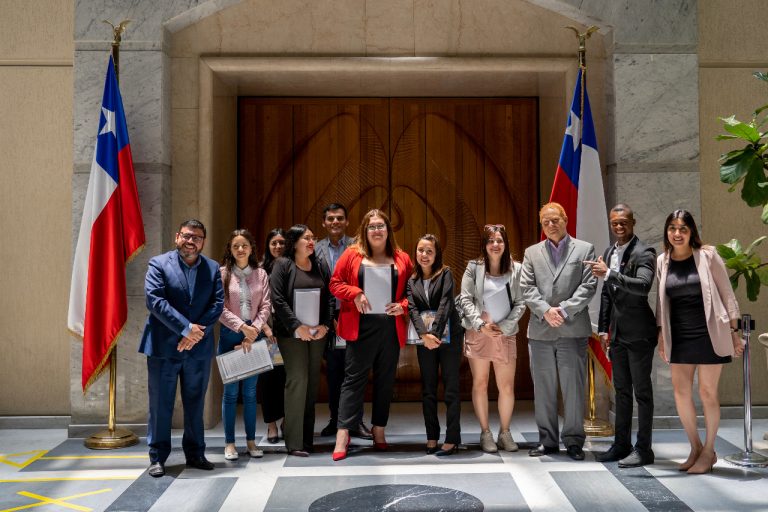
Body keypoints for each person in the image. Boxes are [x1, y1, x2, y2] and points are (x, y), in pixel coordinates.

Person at [656, 209, 743, 474]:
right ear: (667, 232)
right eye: (672, 228)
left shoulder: (708, 256)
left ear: (692, 231)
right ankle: (695, 447)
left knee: (707, 393)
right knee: (681, 392)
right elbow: (661, 303)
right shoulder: (663, 261)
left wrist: (734, 331)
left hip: (709, 334)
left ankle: (709, 450)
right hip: (678, 336)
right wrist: (661, 335)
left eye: (683, 228)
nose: (677, 233)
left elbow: (726, 293)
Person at [139, 219, 224, 477]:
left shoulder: (211, 268)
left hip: (197, 349)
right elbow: (155, 300)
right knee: (161, 404)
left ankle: (196, 453)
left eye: (197, 237)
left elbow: (217, 304)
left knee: (196, 404)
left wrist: (195, 334)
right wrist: (187, 329)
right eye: (187, 236)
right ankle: (158, 457)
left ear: (203, 242)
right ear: (177, 237)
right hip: (164, 347)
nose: (191, 241)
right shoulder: (158, 264)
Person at [329, 209, 414, 461]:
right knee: (353, 381)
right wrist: (355, 292)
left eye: (381, 226)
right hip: (360, 328)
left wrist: (404, 306)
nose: (377, 230)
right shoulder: (352, 254)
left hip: (390, 328)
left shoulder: (402, 258)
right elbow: (334, 283)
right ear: (365, 231)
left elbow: (413, 291)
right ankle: (343, 434)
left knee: (385, 381)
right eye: (372, 227)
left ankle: (379, 430)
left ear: (388, 230)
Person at [521, 202, 597, 461]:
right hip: (541, 331)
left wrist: (563, 310)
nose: (551, 225)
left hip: (572, 329)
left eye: (555, 220)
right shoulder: (531, 253)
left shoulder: (585, 249)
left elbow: (588, 286)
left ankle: (574, 441)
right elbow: (526, 287)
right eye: (545, 222)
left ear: (565, 219)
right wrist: (546, 311)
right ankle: (548, 441)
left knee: (574, 389)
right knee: (543, 389)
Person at [585, 204, 657, 467]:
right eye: (614, 223)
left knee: (642, 393)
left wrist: (611, 274)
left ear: (633, 222)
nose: (619, 227)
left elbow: (643, 286)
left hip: (639, 334)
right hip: (616, 335)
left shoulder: (644, 251)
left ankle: (644, 449)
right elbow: (607, 294)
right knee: (622, 392)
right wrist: (603, 328)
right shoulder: (609, 251)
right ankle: (621, 444)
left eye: (623, 222)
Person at [458, 225, 526, 453]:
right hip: (479, 332)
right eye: (490, 241)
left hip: (505, 334)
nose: (495, 245)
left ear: (505, 244)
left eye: (499, 240)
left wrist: (505, 327)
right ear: (484, 245)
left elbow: (521, 302)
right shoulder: (473, 268)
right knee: (481, 383)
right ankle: (485, 433)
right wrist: (480, 325)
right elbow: (466, 300)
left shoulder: (517, 269)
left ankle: (505, 433)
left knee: (506, 386)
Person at [269, 224, 333, 457]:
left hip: (317, 334)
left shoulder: (320, 264)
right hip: (292, 335)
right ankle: (294, 442)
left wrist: (326, 324)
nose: (311, 241)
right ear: (294, 242)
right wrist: (297, 327)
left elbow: (329, 297)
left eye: (313, 237)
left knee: (312, 384)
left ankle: (307, 439)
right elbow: (278, 300)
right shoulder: (282, 265)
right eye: (306, 238)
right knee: (297, 381)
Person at [315, 203, 372, 440]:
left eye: (339, 218)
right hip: (328, 320)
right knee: (334, 372)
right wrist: (329, 319)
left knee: (356, 372)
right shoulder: (315, 249)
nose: (335, 222)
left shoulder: (359, 247)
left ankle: (356, 421)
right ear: (324, 223)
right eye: (330, 219)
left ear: (347, 222)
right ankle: (336, 420)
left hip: (355, 314)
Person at [407, 234, 465, 456]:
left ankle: (452, 439)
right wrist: (424, 335)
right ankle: (431, 437)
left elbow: (446, 304)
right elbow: (412, 309)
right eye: (420, 250)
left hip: (449, 339)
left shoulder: (446, 273)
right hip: (426, 341)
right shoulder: (412, 280)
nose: (424, 255)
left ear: (436, 254)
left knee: (451, 388)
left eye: (429, 251)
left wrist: (434, 334)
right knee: (428, 389)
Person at [218, 229, 272, 461]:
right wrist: (242, 327)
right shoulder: (222, 274)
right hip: (230, 335)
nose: (240, 249)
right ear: (230, 250)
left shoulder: (261, 274)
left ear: (251, 248)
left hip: (255, 335)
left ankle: (251, 440)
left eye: (244, 245)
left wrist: (254, 330)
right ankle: (230, 443)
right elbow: (219, 308)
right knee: (230, 394)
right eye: (235, 246)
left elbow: (266, 305)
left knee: (250, 393)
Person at [259, 228, 286, 443]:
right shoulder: (259, 271)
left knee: (289, 378)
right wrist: (267, 330)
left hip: (289, 333)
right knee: (269, 380)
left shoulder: (293, 266)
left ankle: (288, 420)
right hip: (267, 333)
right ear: (268, 246)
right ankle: (271, 425)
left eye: (281, 243)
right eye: (273, 243)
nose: (277, 247)